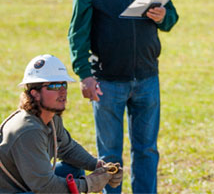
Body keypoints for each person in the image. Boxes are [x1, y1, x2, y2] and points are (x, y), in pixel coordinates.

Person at [68, 0, 179, 194]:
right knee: (109, 156)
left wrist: (161, 16)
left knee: (147, 150)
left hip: (147, 78)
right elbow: (77, 33)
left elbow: (172, 18)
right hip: (106, 81)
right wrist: (84, 75)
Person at [0, 54, 123, 193]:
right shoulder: (28, 131)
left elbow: (68, 149)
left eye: (64, 84)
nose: (63, 91)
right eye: (54, 86)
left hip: (29, 184)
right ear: (35, 94)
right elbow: (45, 187)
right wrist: (89, 184)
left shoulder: (51, 118)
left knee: (73, 170)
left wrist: (99, 166)